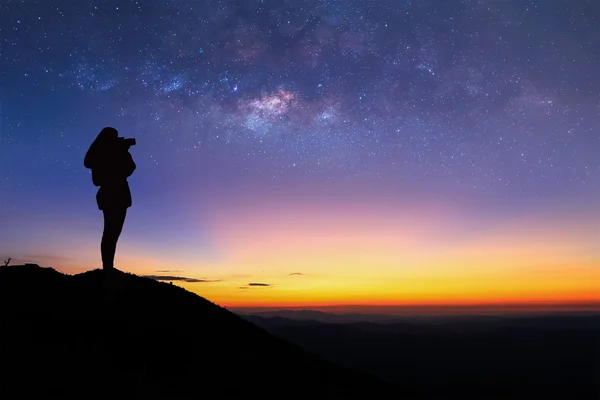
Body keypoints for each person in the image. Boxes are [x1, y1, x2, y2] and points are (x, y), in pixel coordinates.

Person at [84, 127, 136, 271]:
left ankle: (108, 265)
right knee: (110, 232)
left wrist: (123, 151)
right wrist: (118, 151)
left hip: (117, 194)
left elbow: (130, 168)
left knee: (113, 232)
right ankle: (108, 266)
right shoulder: (101, 153)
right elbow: (92, 166)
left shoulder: (113, 151)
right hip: (112, 193)